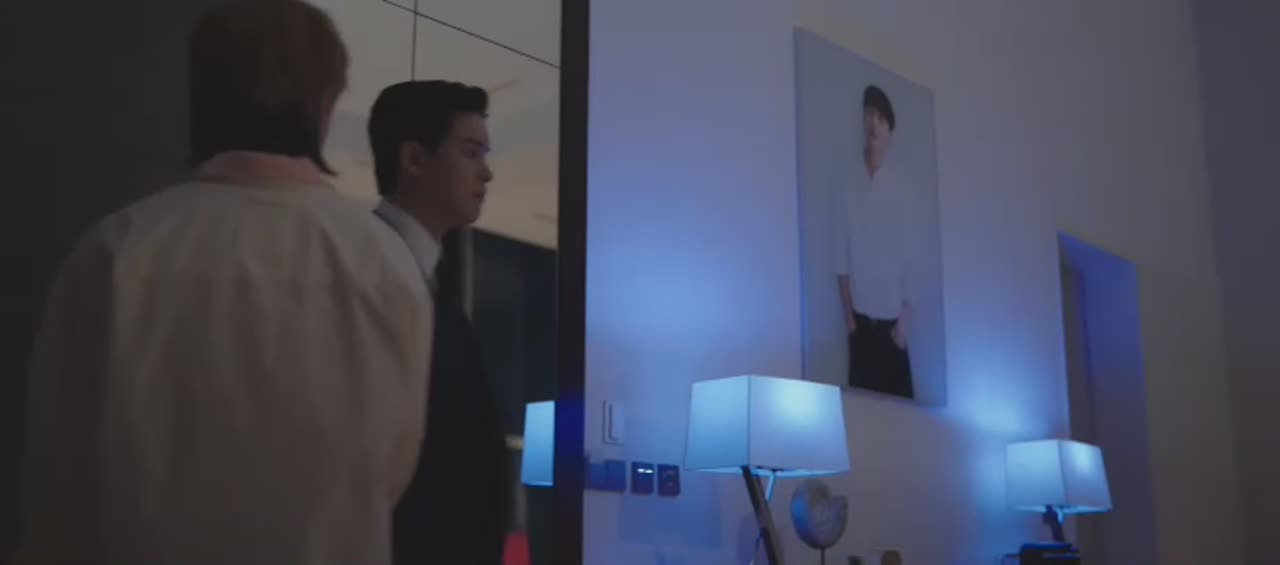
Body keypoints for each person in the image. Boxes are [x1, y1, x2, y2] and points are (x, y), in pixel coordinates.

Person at [17, 1, 433, 563]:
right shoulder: (387, 265)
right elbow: (388, 476)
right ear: (326, 107)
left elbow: (61, 492)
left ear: (200, 93)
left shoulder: (115, 253)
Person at [367, 80, 511, 565]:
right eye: (470, 152)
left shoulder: (435, 281)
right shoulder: (363, 270)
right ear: (414, 159)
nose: (486, 172)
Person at [836, 84, 915, 398]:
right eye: (869, 115)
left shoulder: (901, 191)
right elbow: (839, 256)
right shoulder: (848, 184)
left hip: (892, 328)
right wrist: (849, 321)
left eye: (881, 118)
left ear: (889, 129)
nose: (873, 124)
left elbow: (914, 262)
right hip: (861, 327)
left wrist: (902, 328)